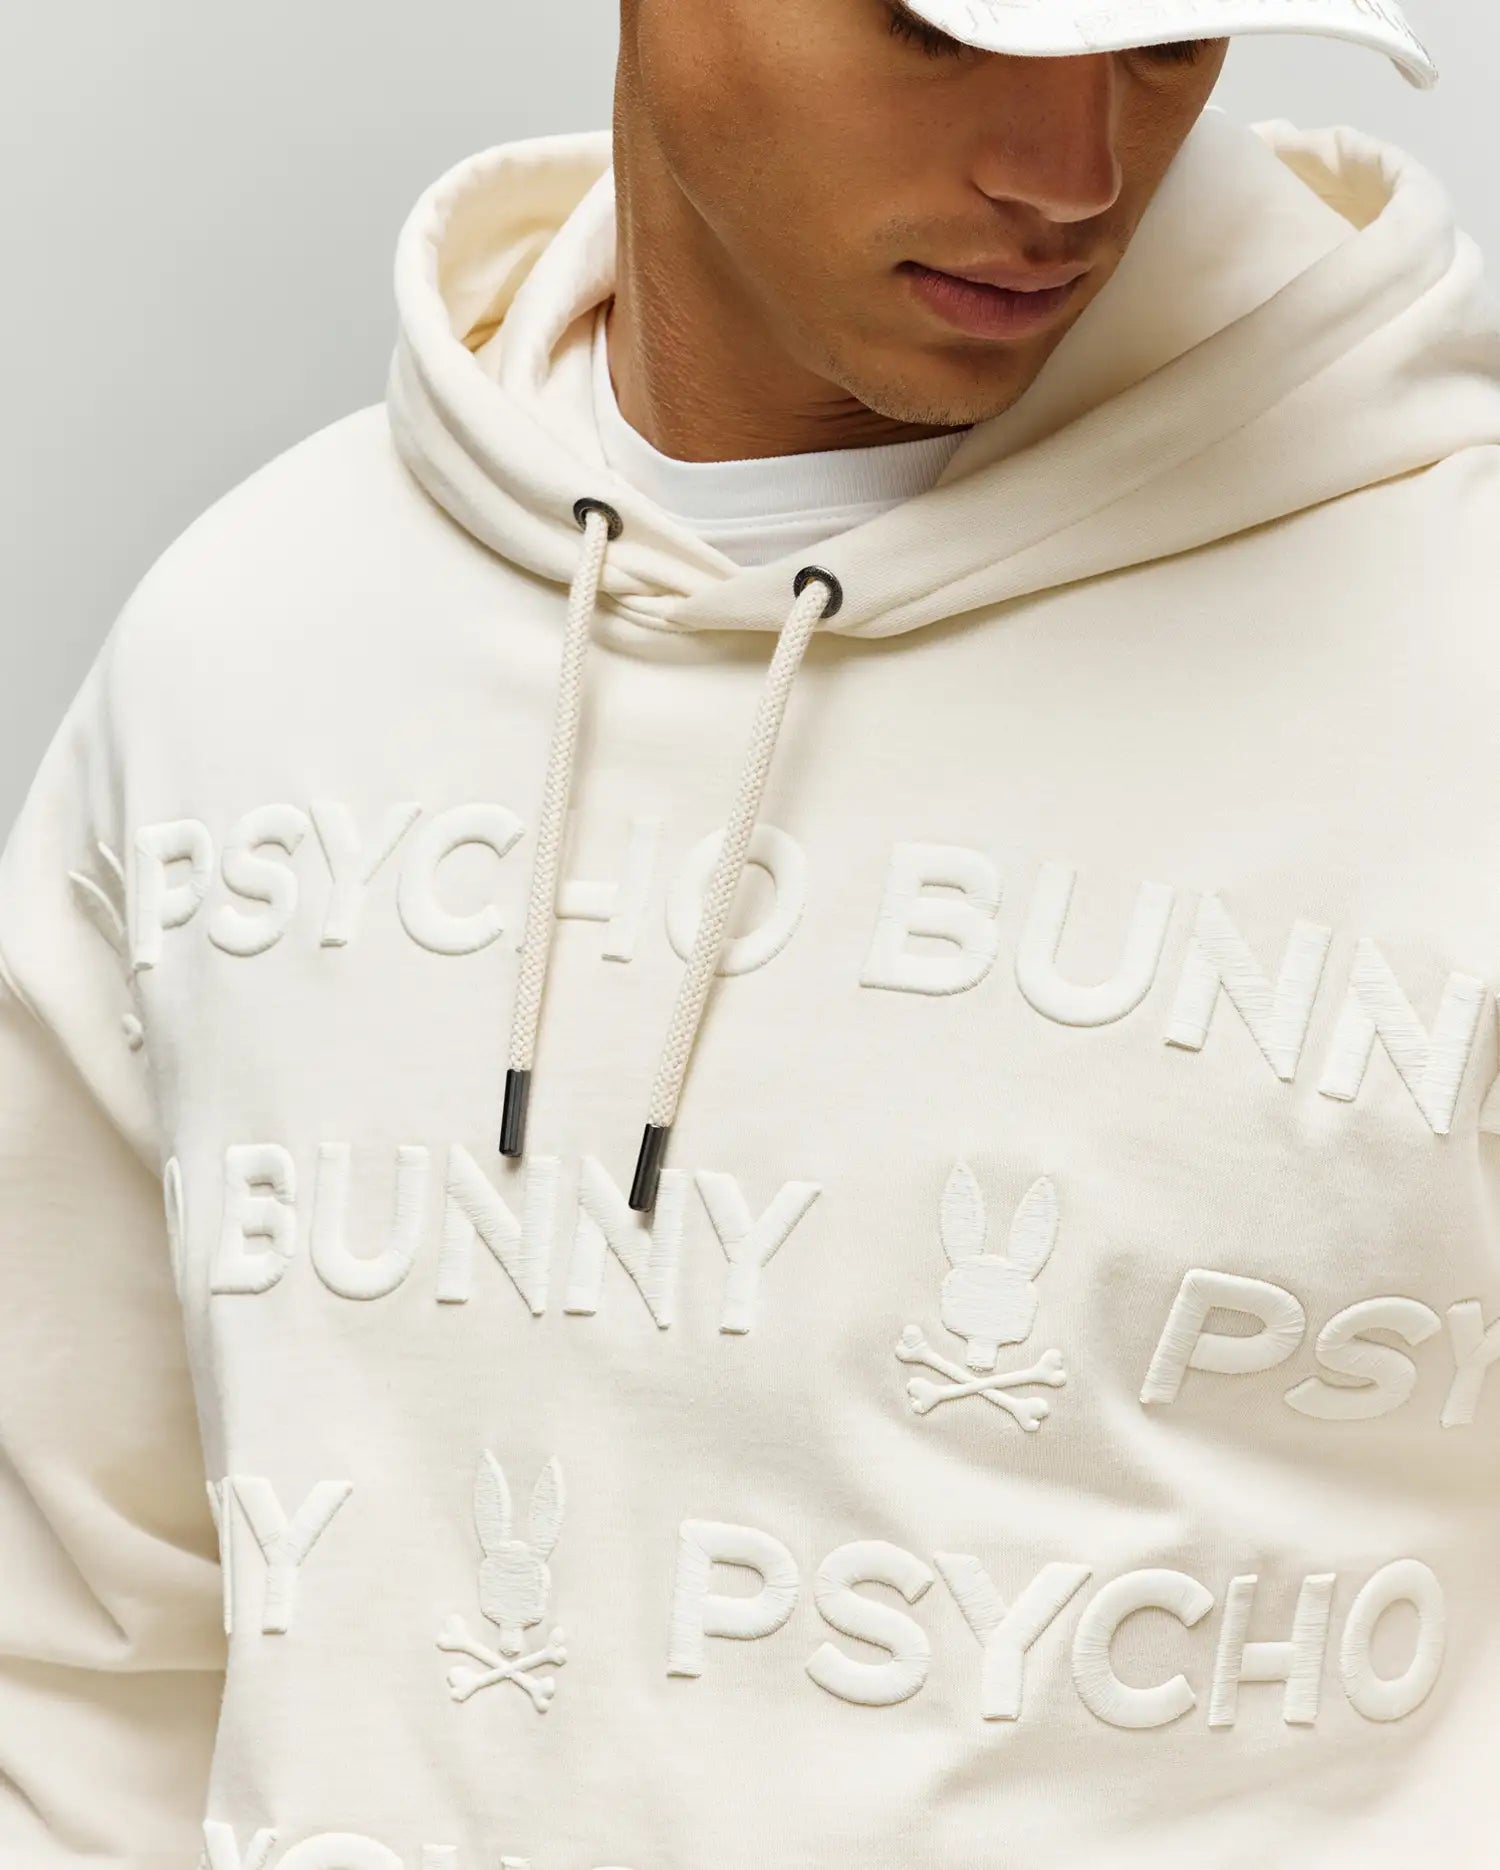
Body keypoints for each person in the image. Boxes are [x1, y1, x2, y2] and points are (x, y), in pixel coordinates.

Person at [1, 0, 1494, 1863]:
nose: (1072, 172)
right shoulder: (246, 646)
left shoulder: (1456, 661)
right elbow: (79, 1672)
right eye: (937, 29)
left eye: (1168, 42)